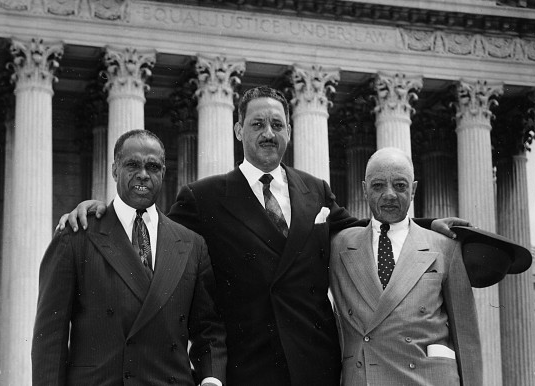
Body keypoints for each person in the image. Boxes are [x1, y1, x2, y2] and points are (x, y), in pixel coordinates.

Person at [58, 87, 468, 386]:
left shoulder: (316, 191)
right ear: (238, 130)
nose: (268, 133)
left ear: (289, 130)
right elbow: (156, 241)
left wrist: (429, 225)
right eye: (257, 124)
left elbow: (367, 231)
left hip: (314, 366)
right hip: (245, 367)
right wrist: (103, 214)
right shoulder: (203, 197)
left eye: (277, 124)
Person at [32, 129, 226, 386]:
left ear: (163, 172)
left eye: (152, 166)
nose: (143, 174)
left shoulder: (192, 245)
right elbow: (50, 339)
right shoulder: (76, 237)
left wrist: (212, 381)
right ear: (114, 170)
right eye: (132, 164)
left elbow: (208, 330)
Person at [329, 147, 481, 385]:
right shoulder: (338, 246)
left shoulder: (446, 248)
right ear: (364, 190)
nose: (389, 195)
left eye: (400, 186)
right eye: (378, 186)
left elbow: (466, 338)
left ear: (414, 190)